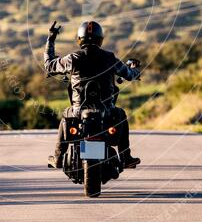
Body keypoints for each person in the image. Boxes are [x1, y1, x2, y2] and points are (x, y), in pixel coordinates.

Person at [44, 19, 141, 170]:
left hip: (78, 111)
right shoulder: (109, 58)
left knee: (65, 116)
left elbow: (49, 65)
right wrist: (135, 70)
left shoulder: (72, 58)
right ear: (100, 39)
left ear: (79, 39)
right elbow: (128, 74)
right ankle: (125, 156)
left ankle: (58, 157)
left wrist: (51, 39)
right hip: (106, 110)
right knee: (121, 114)